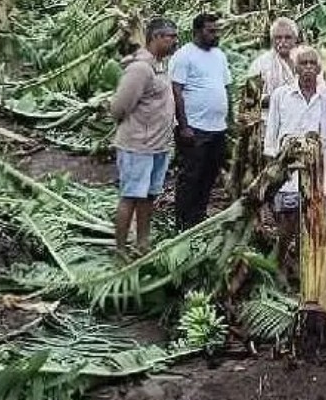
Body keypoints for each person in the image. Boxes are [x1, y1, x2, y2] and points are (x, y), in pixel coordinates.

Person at [263, 45, 326, 277]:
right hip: (286, 165)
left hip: (313, 167)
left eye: (312, 63)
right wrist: (270, 170)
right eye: (303, 63)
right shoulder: (281, 95)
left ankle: (295, 262)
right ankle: (280, 260)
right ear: (295, 67)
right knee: (287, 216)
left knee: (307, 215)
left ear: (319, 67)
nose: (308, 67)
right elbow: (271, 135)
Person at [108, 18, 178, 255]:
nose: (174, 41)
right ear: (156, 37)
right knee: (130, 196)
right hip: (138, 145)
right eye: (170, 36)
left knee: (148, 196)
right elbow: (119, 108)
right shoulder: (140, 69)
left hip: (158, 146)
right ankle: (120, 248)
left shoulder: (160, 65)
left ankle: (142, 243)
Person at [170, 13, 232, 231]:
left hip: (217, 127)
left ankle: (198, 216)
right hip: (194, 128)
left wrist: (229, 120)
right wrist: (183, 125)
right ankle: (183, 221)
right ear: (197, 31)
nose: (216, 35)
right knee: (190, 175)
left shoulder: (219, 55)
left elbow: (226, 87)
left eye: (217, 30)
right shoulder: (184, 56)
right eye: (211, 31)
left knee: (209, 174)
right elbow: (176, 91)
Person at [247, 16, 299, 122]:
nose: (283, 41)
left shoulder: (305, 62)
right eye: (278, 38)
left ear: (295, 39)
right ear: (272, 40)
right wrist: (281, 99)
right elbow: (250, 101)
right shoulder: (259, 65)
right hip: (269, 124)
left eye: (288, 37)